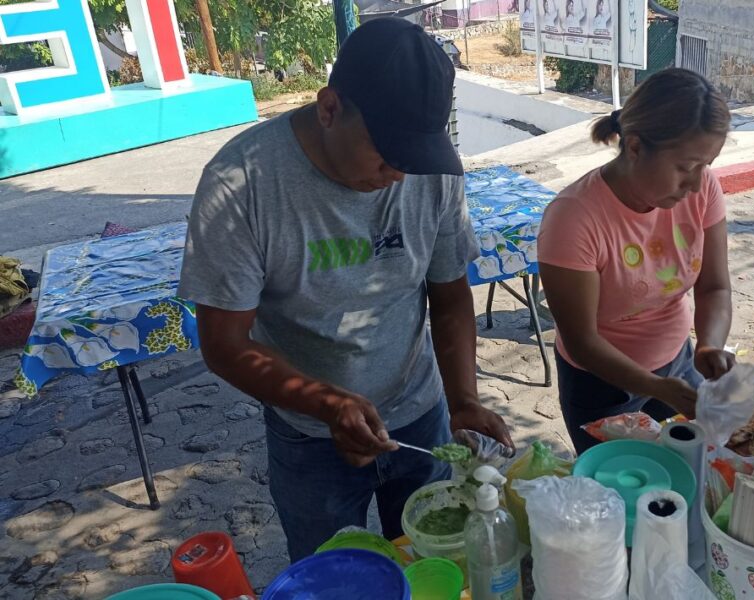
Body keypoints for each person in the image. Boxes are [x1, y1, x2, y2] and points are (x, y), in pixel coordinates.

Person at [179, 18, 512, 563]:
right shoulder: (241, 183)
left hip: (419, 410)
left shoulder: (429, 172)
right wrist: (328, 404)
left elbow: (449, 294)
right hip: (310, 437)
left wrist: (465, 401)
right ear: (329, 107)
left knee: (437, 564)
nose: (400, 177)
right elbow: (224, 344)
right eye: (386, 154)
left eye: (413, 159)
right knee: (331, 572)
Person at [538, 68, 735, 455]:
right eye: (684, 167)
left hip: (678, 363)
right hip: (601, 383)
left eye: (705, 166)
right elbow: (583, 343)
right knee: (623, 491)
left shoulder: (702, 189)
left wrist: (709, 345)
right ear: (635, 148)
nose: (696, 184)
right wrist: (655, 387)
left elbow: (715, 286)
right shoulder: (573, 219)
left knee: (692, 471)